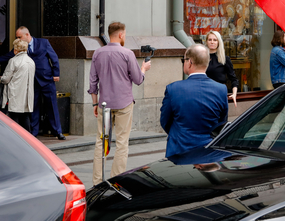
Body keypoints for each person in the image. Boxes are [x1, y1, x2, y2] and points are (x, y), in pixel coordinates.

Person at [88, 21, 151, 185]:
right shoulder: (127, 53)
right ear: (121, 34)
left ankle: (97, 182)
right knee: (122, 143)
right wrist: (143, 68)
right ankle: (116, 181)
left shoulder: (97, 53)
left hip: (104, 105)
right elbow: (138, 79)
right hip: (123, 104)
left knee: (101, 142)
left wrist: (95, 104)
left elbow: (92, 82)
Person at [161, 44, 228, 159]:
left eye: (184, 60)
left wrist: (179, 134)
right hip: (210, 151)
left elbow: (165, 121)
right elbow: (222, 122)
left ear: (190, 62)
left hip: (180, 150)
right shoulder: (221, 89)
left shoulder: (173, 89)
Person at [11, 26, 64, 139]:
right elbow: (10, 56)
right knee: (33, 107)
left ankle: (57, 132)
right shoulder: (20, 46)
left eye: (19, 37)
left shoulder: (43, 43)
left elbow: (53, 57)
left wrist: (56, 73)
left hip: (47, 79)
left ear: (27, 35)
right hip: (31, 81)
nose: (18, 39)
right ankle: (33, 132)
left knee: (52, 106)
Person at [0, 38, 35, 132]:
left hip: (15, 96)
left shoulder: (13, 61)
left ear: (16, 50)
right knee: (25, 120)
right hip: (27, 97)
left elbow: (6, 79)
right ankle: (28, 141)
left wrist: (1, 78)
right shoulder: (31, 61)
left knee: (14, 121)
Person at [204, 30, 238, 106]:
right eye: (210, 40)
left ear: (219, 42)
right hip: (204, 94)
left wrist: (234, 94)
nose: (212, 42)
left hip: (219, 94)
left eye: (215, 40)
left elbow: (233, 79)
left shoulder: (224, 59)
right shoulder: (202, 58)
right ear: (206, 42)